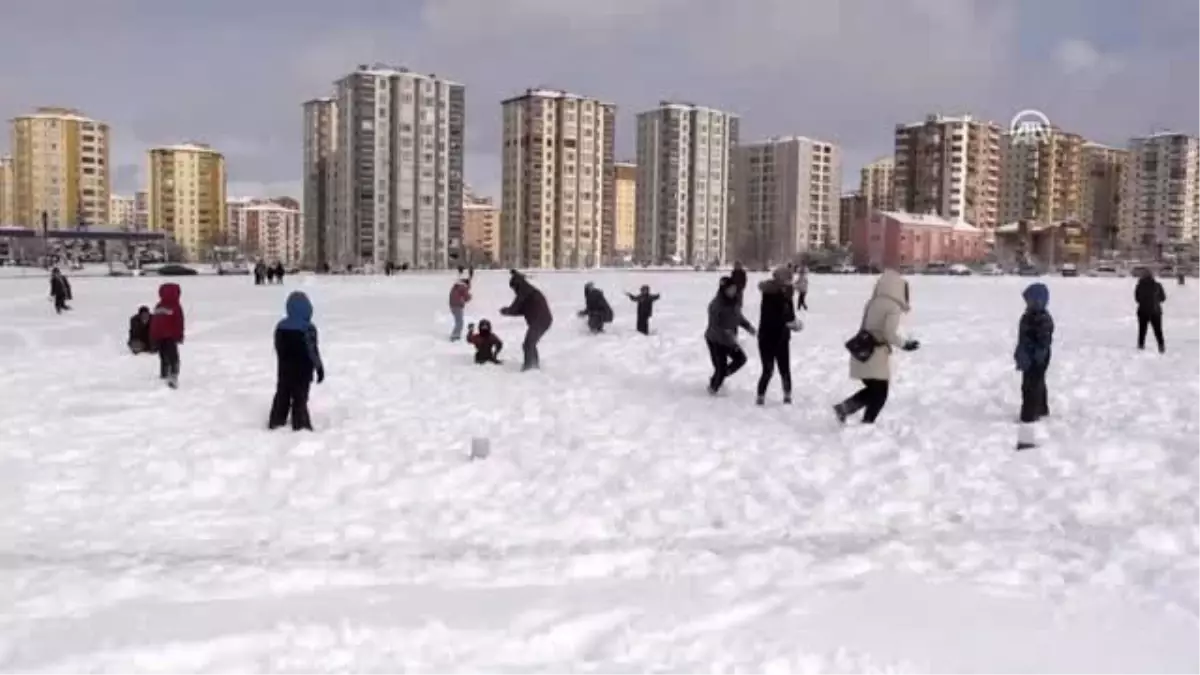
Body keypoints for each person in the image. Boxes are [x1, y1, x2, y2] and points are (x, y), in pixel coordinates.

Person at [833, 269, 919, 424]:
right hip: (875, 354)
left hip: (862, 351)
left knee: (874, 391)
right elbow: (889, 333)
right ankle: (866, 422)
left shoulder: (873, 302)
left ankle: (845, 409)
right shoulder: (893, 306)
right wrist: (905, 344)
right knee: (880, 394)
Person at [269, 291, 325, 431]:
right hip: (303, 372)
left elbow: (277, 346)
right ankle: (301, 425)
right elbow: (312, 350)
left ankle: (276, 420)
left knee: (282, 394)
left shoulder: (280, 326)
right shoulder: (308, 328)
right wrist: (319, 368)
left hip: (284, 370)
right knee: (300, 398)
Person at [1014, 282, 1053, 450]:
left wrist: (1034, 357)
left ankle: (1028, 416)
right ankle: (1042, 408)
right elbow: (1022, 338)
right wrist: (1020, 353)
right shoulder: (1028, 315)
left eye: (1030, 300)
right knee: (1036, 383)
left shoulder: (1043, 319)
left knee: (1031, 386)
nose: (1027, 303)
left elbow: (1043, 342)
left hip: (1037, 358)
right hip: (1028, 357)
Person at [756, 266, 801, 405]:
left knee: (784, 369)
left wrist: (794, 323)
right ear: (780, 280)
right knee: (768, 369)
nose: (790, 282)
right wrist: (789, 322)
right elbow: (773, 317)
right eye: (788, 279)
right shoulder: (770, 293)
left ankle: (787, 395)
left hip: (782, 338)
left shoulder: (786, 294)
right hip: (767, 337)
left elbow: (790, 315)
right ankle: (760, 396)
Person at [705, 276, 756, 394]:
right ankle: (713, 388)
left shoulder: (735, 301)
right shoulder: (716, 305)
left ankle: (719, 376)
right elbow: (714, 325)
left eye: (734, 288)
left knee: (741, 359)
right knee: (720, 367)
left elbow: (738, 317)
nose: (733, 291)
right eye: (730, 289)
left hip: (729, 340)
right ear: (724, 290)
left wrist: (748, 327)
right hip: (715, 340)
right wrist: (726, 331)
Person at [500, 270, 553, 371]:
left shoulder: (524, 291)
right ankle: (533, 365)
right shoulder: (527, 292)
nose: (514, 291)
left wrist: (508, 310)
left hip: (541, 320)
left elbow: (516, 306)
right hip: (541, 320)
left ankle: (530, 367)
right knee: (530, 343)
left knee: (528, 344)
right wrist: (508, 311)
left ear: (517, 285)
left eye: (514, 288)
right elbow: (520, 310)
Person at [149, 283, 185, 388]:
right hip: (170, 336)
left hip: (159, 336)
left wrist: (153, 337)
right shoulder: (176, 306)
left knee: (163, 356)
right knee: (173, 356)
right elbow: (179, 322)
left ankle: (164, 373)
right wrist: (179, 335)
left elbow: (154, 323)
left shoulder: (159, 306)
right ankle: (173, 374)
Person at [1135, 269, 1166, 353]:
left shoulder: (1139, 285)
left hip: (1142, 311)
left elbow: (1137, 298)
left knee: (1142, 330)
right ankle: (1161, 346)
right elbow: (1163, 298)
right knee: (1158, 330)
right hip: (1155, 311)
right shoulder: (1157, 285)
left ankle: (1141, 345)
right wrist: (1156, 300)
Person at [448, 274, 472, 341]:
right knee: (460, 322)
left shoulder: (456, 286)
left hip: (453, 305)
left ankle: (456, 335)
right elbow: (467, 297)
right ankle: (455, 336)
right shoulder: (462, 287)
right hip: (457, 306)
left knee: (458, 321)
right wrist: (470, 296)